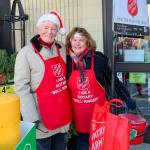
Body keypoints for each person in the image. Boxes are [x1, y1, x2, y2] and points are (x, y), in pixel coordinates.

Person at [65, 27, 136, 150]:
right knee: (82, 143)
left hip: (99, 112)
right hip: (78, 114)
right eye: (74, 39)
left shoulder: (98, 59)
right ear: (70, 41)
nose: (77, 43)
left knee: (100, 142)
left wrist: (127, 98)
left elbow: (113, 81)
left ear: (87, 42)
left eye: (81, 40)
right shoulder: (66, 62)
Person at [14, 11, 72, 150]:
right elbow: (21, 87)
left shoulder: (61, 49)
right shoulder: (26, 53)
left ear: (57, 31)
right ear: (38, 29)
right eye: (46, 28)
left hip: (61, 112)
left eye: (53, 29)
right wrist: (31, 118)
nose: (49, 32)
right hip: (41, 117)